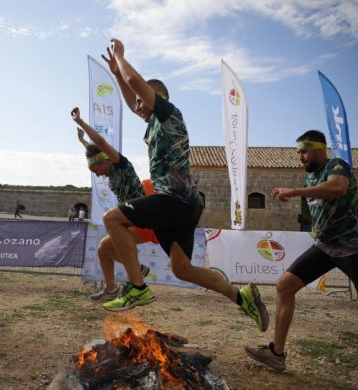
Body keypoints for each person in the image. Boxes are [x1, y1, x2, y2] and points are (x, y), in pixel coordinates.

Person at [97, 38, 269, 331]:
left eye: (142, 100)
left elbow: (135, 82)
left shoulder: (169, 114)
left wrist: (122, 58)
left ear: (155, 97)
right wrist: (115, 74)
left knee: (112, 218)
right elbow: (132, 98)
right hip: (184, 204)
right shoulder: (153, 122)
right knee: (182, 268)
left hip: (175, 199)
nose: (137, 106)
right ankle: (241, 297)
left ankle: (137, 287)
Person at [246, 130, 358, 371]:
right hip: (325, 247)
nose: (301, 158)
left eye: (304, 152)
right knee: (285, 285)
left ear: (319, 148)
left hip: (353, 249)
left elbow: (337, 188)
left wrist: (295, 191)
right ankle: (277, 354)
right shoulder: (311, 177)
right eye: (299, 153)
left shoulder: (337, 165)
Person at [71, 106, 155, 303]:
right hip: (128, 220)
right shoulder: (107, 168)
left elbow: (100, 143)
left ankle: (136, 274)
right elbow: (94, 151)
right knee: (103, 249)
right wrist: (82, 141)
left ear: (105, 161)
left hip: (143, 220)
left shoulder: (120, 164)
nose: (97, 174)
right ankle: (111, 290)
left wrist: (80, 122)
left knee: (107, 234)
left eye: (96, 169)